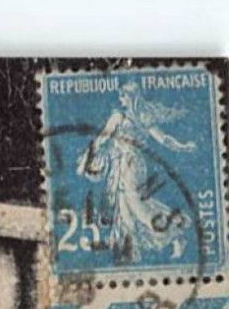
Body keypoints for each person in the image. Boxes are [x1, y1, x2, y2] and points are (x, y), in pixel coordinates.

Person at [78, 79, 197, 264]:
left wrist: (182, 147)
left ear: (132, 97)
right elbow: (102, 137)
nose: (121, 99)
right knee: (125, 208)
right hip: (120, 164)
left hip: (132, 165)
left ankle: (174, 232)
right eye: (120, 95)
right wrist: (89, 153)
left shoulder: (140, 117)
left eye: (123, 95)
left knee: (136, 206)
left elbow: (163, 139)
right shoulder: (118, 116)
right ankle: (132, 252)